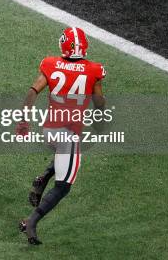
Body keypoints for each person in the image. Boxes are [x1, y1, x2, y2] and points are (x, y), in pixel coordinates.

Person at [18, 27, 106, 245]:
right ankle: (31, 221)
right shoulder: (94, 70)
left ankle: (42, 180)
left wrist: (23, 120)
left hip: (49, 130)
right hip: (69, 134)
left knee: (62, 155)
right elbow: (99, 102)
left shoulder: (50, 64)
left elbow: (32, 91)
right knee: (63, 186)